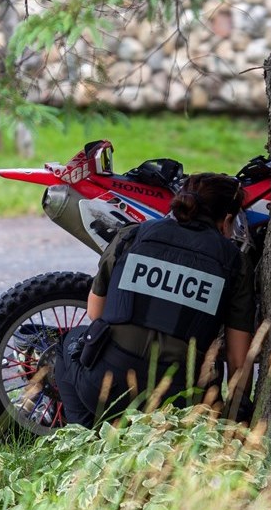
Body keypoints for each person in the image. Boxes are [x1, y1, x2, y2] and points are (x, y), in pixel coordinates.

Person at [55, 172, 256, 426]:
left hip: (106, 387)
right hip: (181, 404)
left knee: (67, 344)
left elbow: (96, 313)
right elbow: (238, 359)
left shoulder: (132, 235)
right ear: (227, 220)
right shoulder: (235, 262)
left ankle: (88, 432)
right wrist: (238, 414)